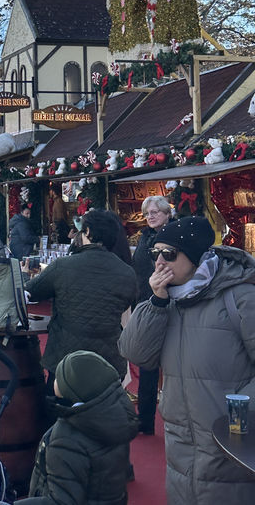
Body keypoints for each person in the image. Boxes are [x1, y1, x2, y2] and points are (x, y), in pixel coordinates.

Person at [119, 216, 255, 505]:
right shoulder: (168, 301)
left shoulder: (241, 297)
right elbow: (135, 353)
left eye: (169, 254)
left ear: (194, 256)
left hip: (230, 441)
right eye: (156, 253)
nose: (159, 262)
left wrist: (239, 414)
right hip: (180, 438)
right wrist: (156, 301)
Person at [26, 209, 137, 393]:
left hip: (65, 356)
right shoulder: (127, 272)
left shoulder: (64, 265)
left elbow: (31, 292)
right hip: (108, 359)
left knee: (59, 410)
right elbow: (126, 302)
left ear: (88, 232)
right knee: (102, 412)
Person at [23, 351, 139, 505]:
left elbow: (62, 501)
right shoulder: (114, 420)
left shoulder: (65, 438)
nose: (54, 380)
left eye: (58, 377)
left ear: (73, 389)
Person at [131, 195, 172, 435]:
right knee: (147, 364)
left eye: (156, 211)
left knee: (171, 363)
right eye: (147, 213)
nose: (151, 216)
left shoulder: (173, 236)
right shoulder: (145, 237)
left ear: (167, 213)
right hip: (145, 304)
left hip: (167, 304)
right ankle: (145, 419)